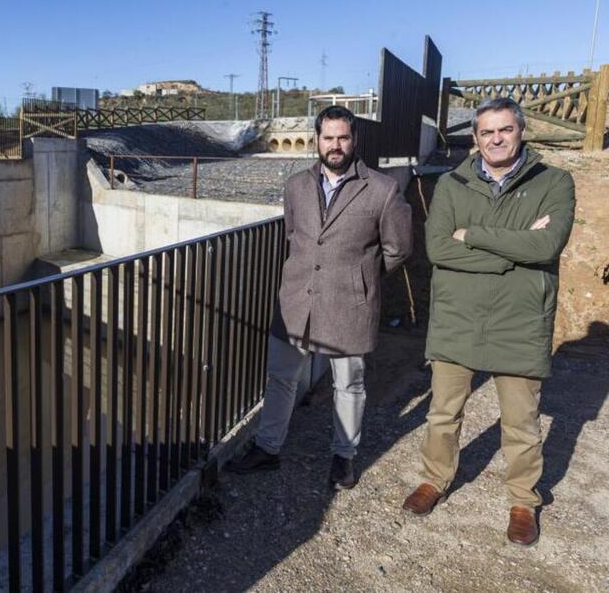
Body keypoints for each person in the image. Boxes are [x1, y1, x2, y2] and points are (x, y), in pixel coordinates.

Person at [401, 98, 575, 547]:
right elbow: (439, 248)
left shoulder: (553, 182)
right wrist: (511, 254)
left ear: (521, 131)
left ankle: (523, 500)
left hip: (519, 320)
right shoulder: (453, 184)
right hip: (458, 317)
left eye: (504, 130)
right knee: (443, 413)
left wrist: (473, 236)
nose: (495, 139)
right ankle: (435, 479)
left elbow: (546, 247)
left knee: (521, 422)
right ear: (475, 138)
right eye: (486, 132)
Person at [228, 105, 412, 489]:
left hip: (349, 305)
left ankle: (343, 456)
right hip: (296, 301)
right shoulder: (296, 185)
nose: (335, 145)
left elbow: (398, 248)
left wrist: (361, 279)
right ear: (317, 140)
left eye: (343, 137)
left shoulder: (382, 189)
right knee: (280, 378)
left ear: (354, 140)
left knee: (348, 385)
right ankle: (268, 449)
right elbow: (295, 236)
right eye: (328, 138)